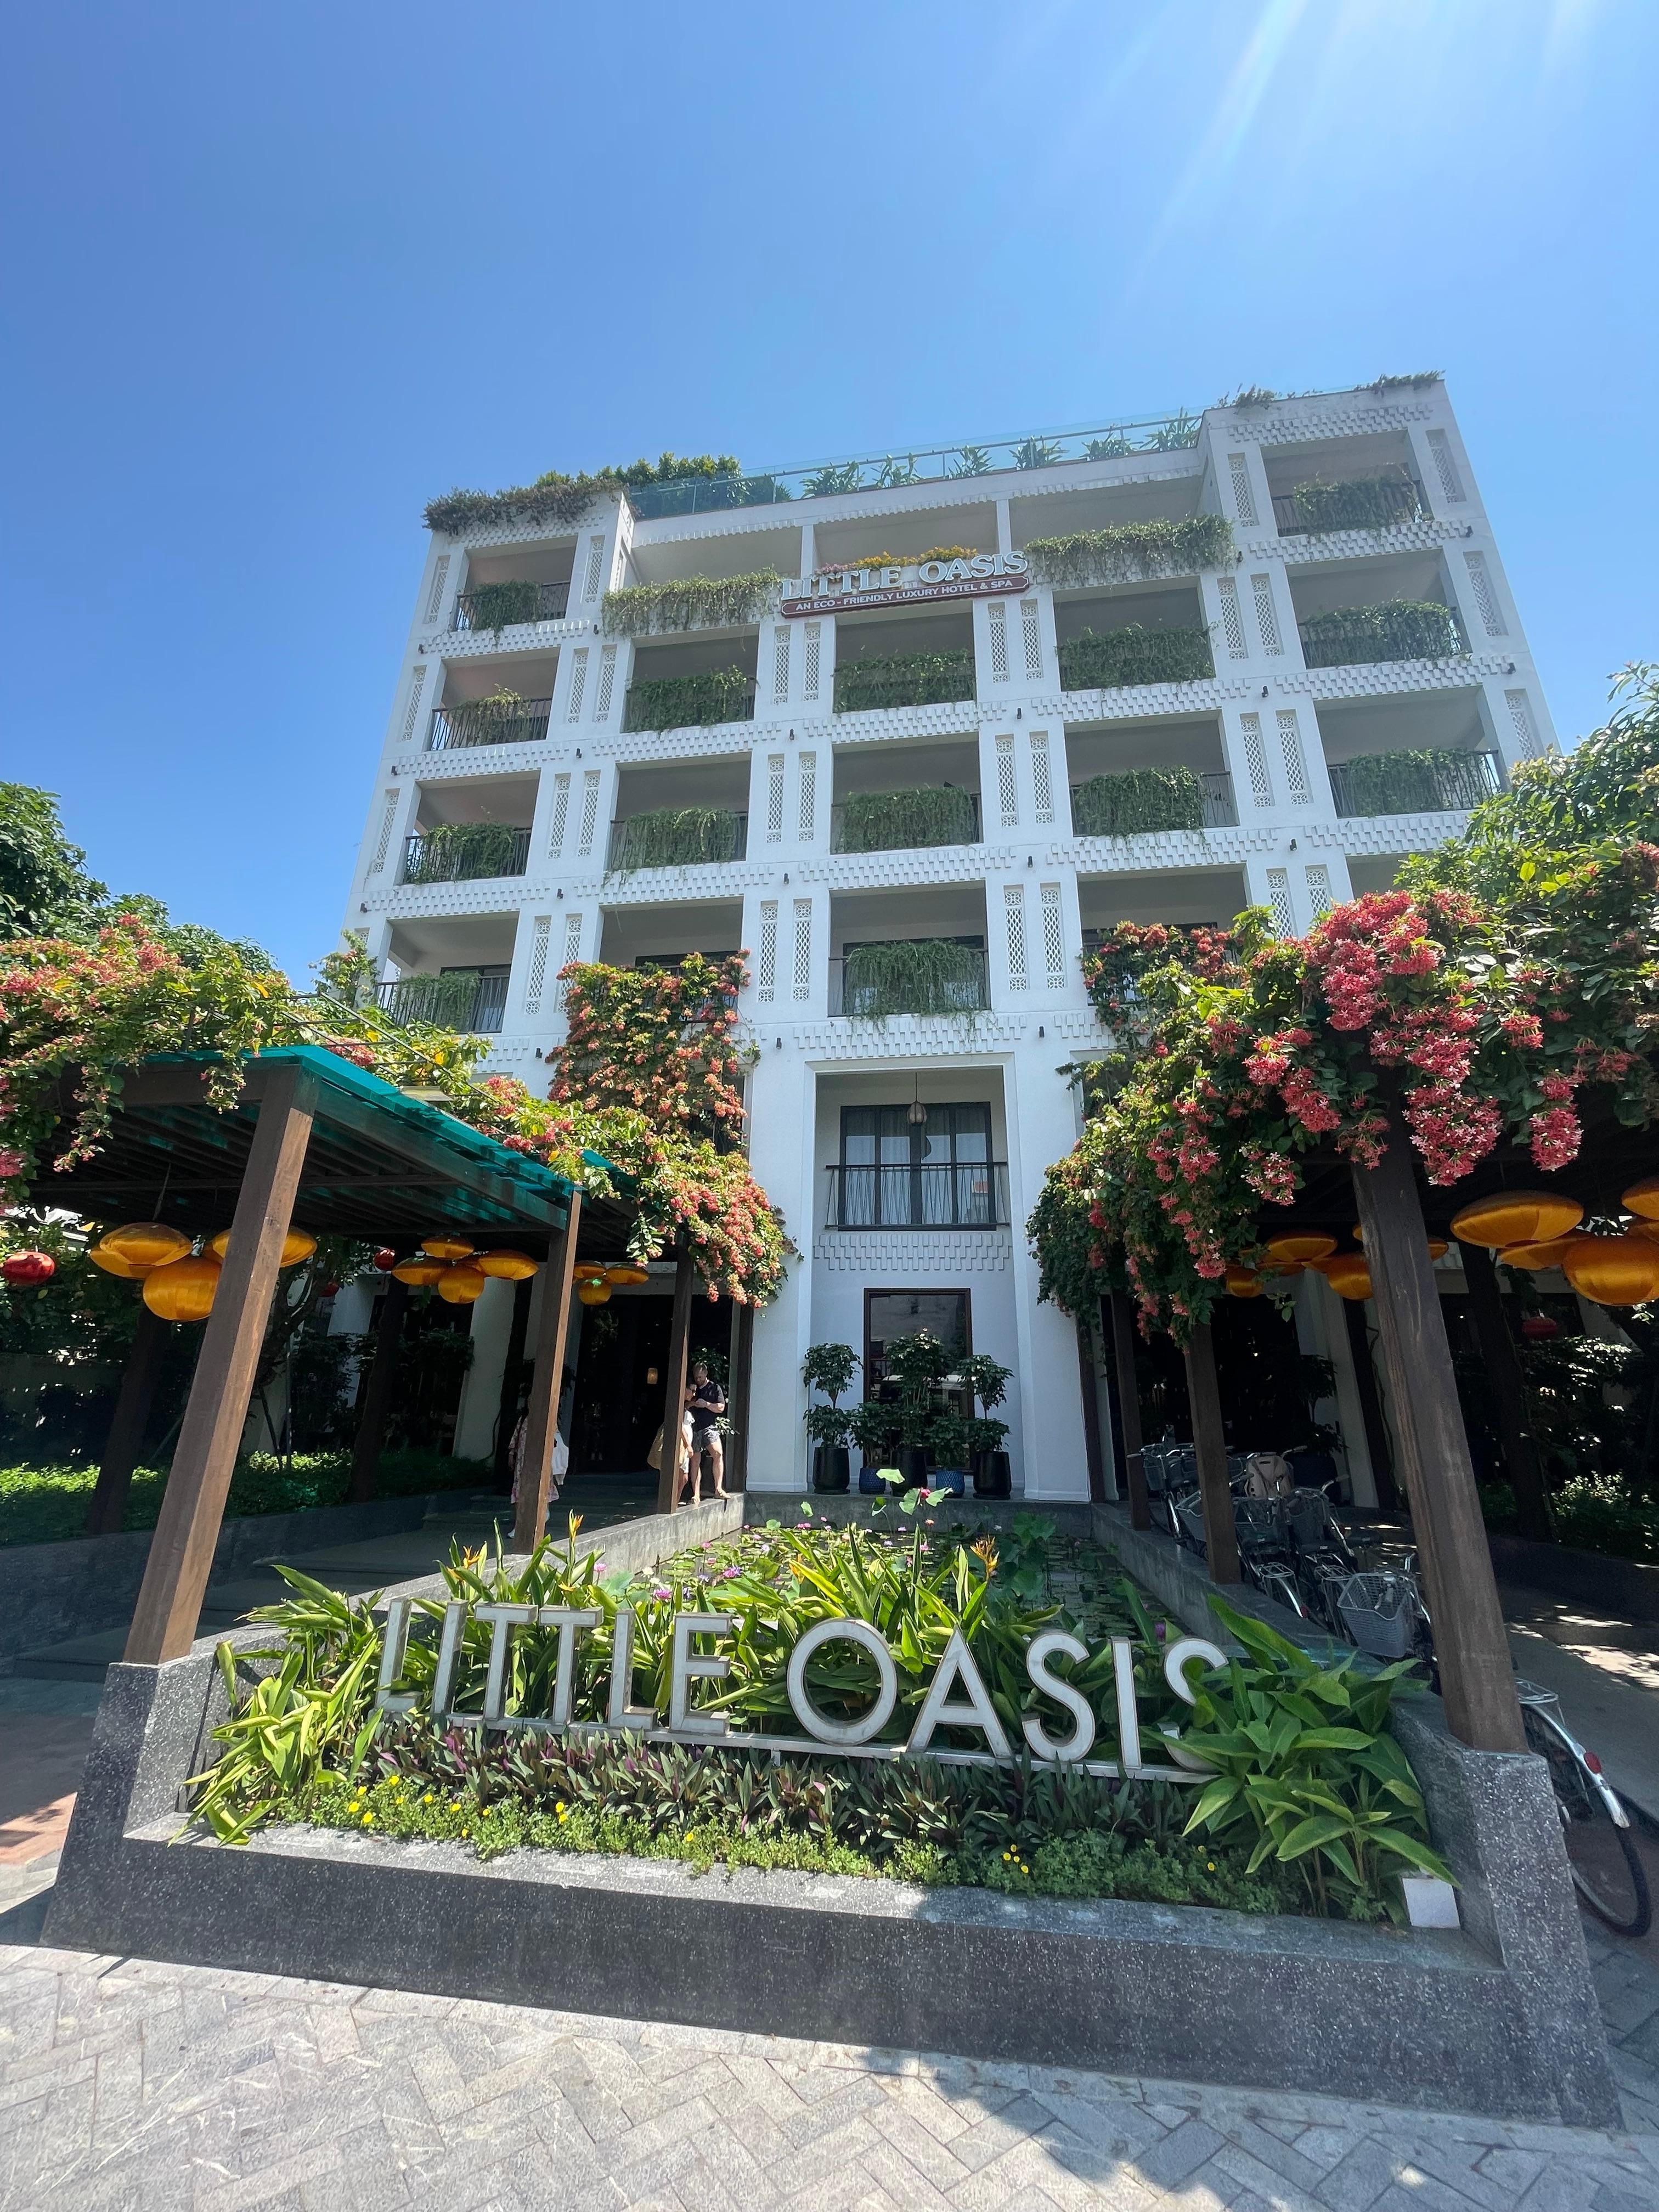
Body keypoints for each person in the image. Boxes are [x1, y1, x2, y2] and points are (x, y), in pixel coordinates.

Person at [683, 1360, 727, 1502]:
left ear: (706, 1374)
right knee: (695, 1460)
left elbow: (721, 1408)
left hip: (709, 1426)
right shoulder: (692, 1387)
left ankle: (718, 1488)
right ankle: (696, 1494)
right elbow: (684, 1404)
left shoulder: (714, 1388)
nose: (698, 1380)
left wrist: (707, 1404)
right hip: (694, 1428)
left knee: (718, 1453)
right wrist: (692, 1401)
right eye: (696, 1377)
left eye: (701, 1377)